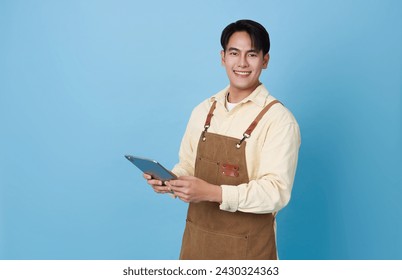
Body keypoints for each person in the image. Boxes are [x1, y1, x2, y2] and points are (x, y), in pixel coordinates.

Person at [143, 19, 301, 260]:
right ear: (223, 57)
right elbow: (187, 165)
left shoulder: (279, 120)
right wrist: (169, 183)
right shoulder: (204, 110)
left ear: (265, 61)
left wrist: (213, 193)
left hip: (248, 254)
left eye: (252, 55)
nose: (242, 63)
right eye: (234, 53)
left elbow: (275, 192)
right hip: (196, 247)